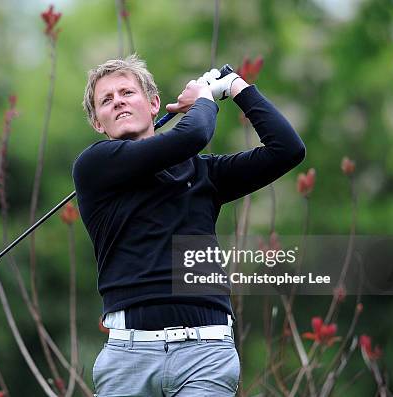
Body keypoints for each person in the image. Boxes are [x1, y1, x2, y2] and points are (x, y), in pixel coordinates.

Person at [73, 54, 305, 396]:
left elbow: (287, 150)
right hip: (128, 357)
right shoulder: (94, 166)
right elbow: (194, 132)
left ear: (154, 104)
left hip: (206, 353)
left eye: (126, 92)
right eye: (106, 100)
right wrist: (204, 100)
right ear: (98, 124)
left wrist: (235, 86)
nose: (118, 101)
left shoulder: (204, 172)